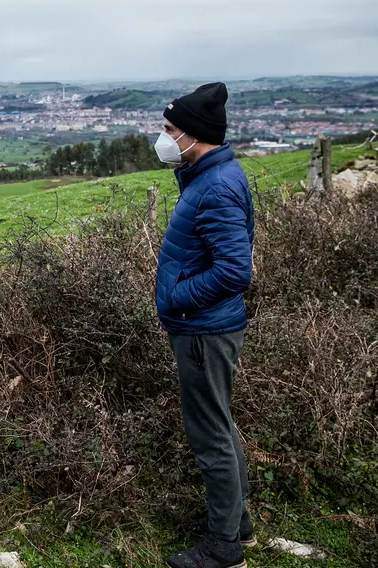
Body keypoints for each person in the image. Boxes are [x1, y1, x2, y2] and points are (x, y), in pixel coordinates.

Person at [153, 83, 256, 568]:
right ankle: (238, 523)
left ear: (195, 135)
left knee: (209, 432)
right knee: (220, 421)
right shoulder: (206, 176)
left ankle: (223, 547)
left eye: (171, 130)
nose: (164, 137)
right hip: (208, 326)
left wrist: (179, 299)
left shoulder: (215, 186)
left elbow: (235, 270)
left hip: (204, 329)